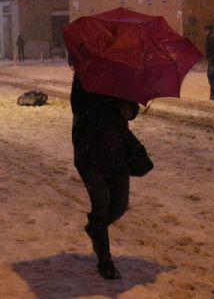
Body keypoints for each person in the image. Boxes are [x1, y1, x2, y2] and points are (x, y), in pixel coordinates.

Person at [71, 75, 139, 280]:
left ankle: (95, 228)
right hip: (89, 152)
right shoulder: (86, 75)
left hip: (116, 150)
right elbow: (79, 108)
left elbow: (131, 108)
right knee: (100, 207)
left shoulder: (123, 76)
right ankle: (105, 260)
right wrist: (110, 102)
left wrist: (130, 110)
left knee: (119, 204)